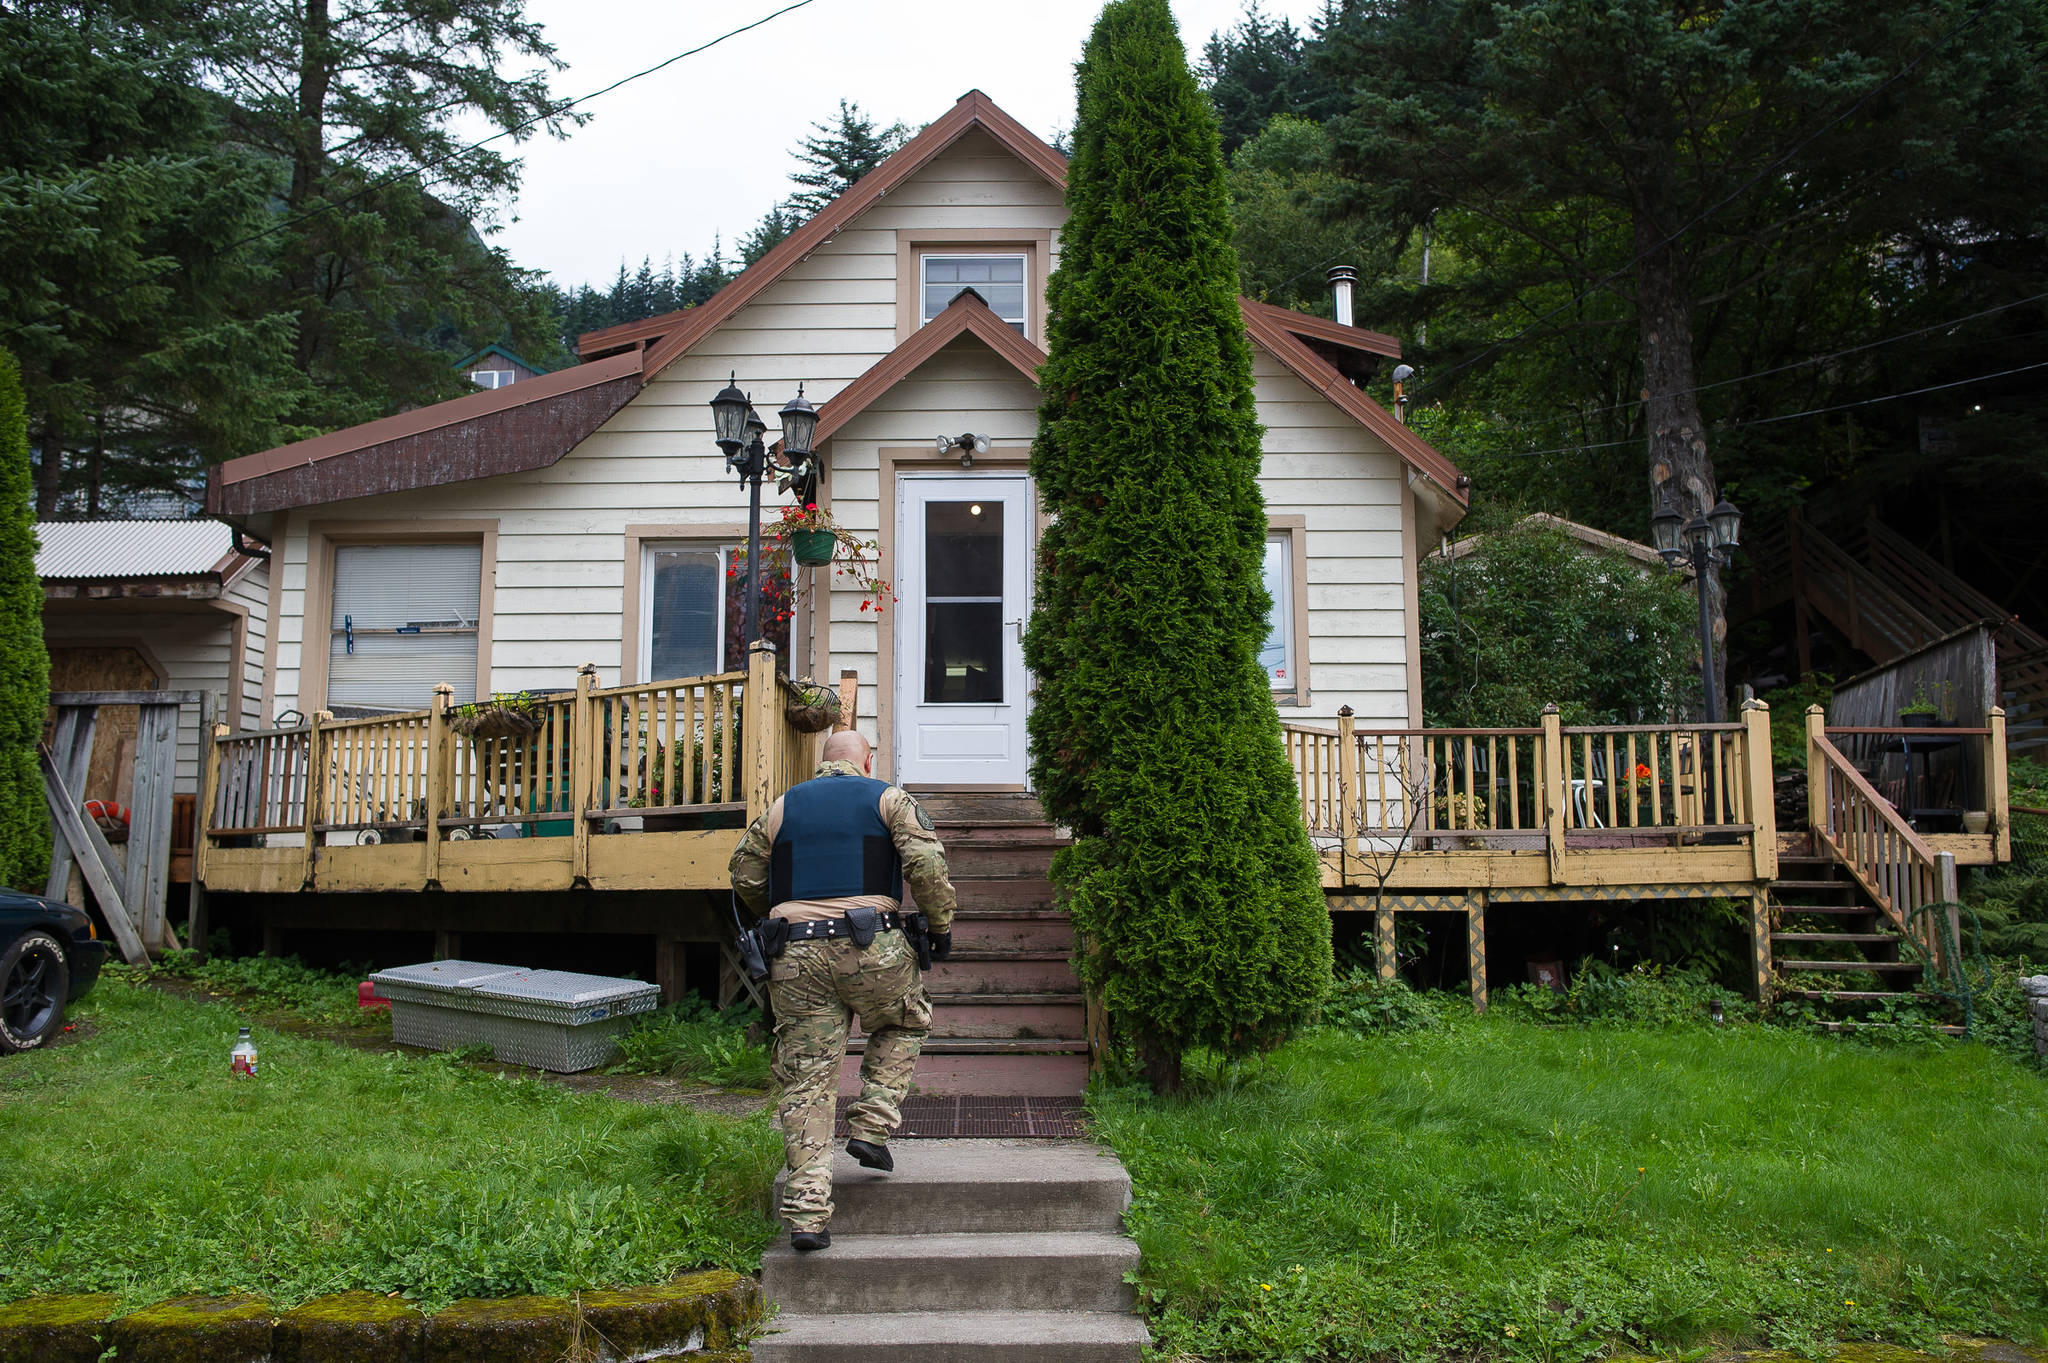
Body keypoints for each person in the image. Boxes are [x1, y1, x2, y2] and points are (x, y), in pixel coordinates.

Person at [728, 728, 957, 1252]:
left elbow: (742, 871)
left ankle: (807, 1215)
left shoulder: (783, 806)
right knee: (904, 1019)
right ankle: (872, 1125)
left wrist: (780, 906)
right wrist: (939, 926)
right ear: (867, 761)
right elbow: (926, 865)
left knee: (807, 1076)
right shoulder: (888, 798)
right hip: (871, 946)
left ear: (823, 763)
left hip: (794, 954)